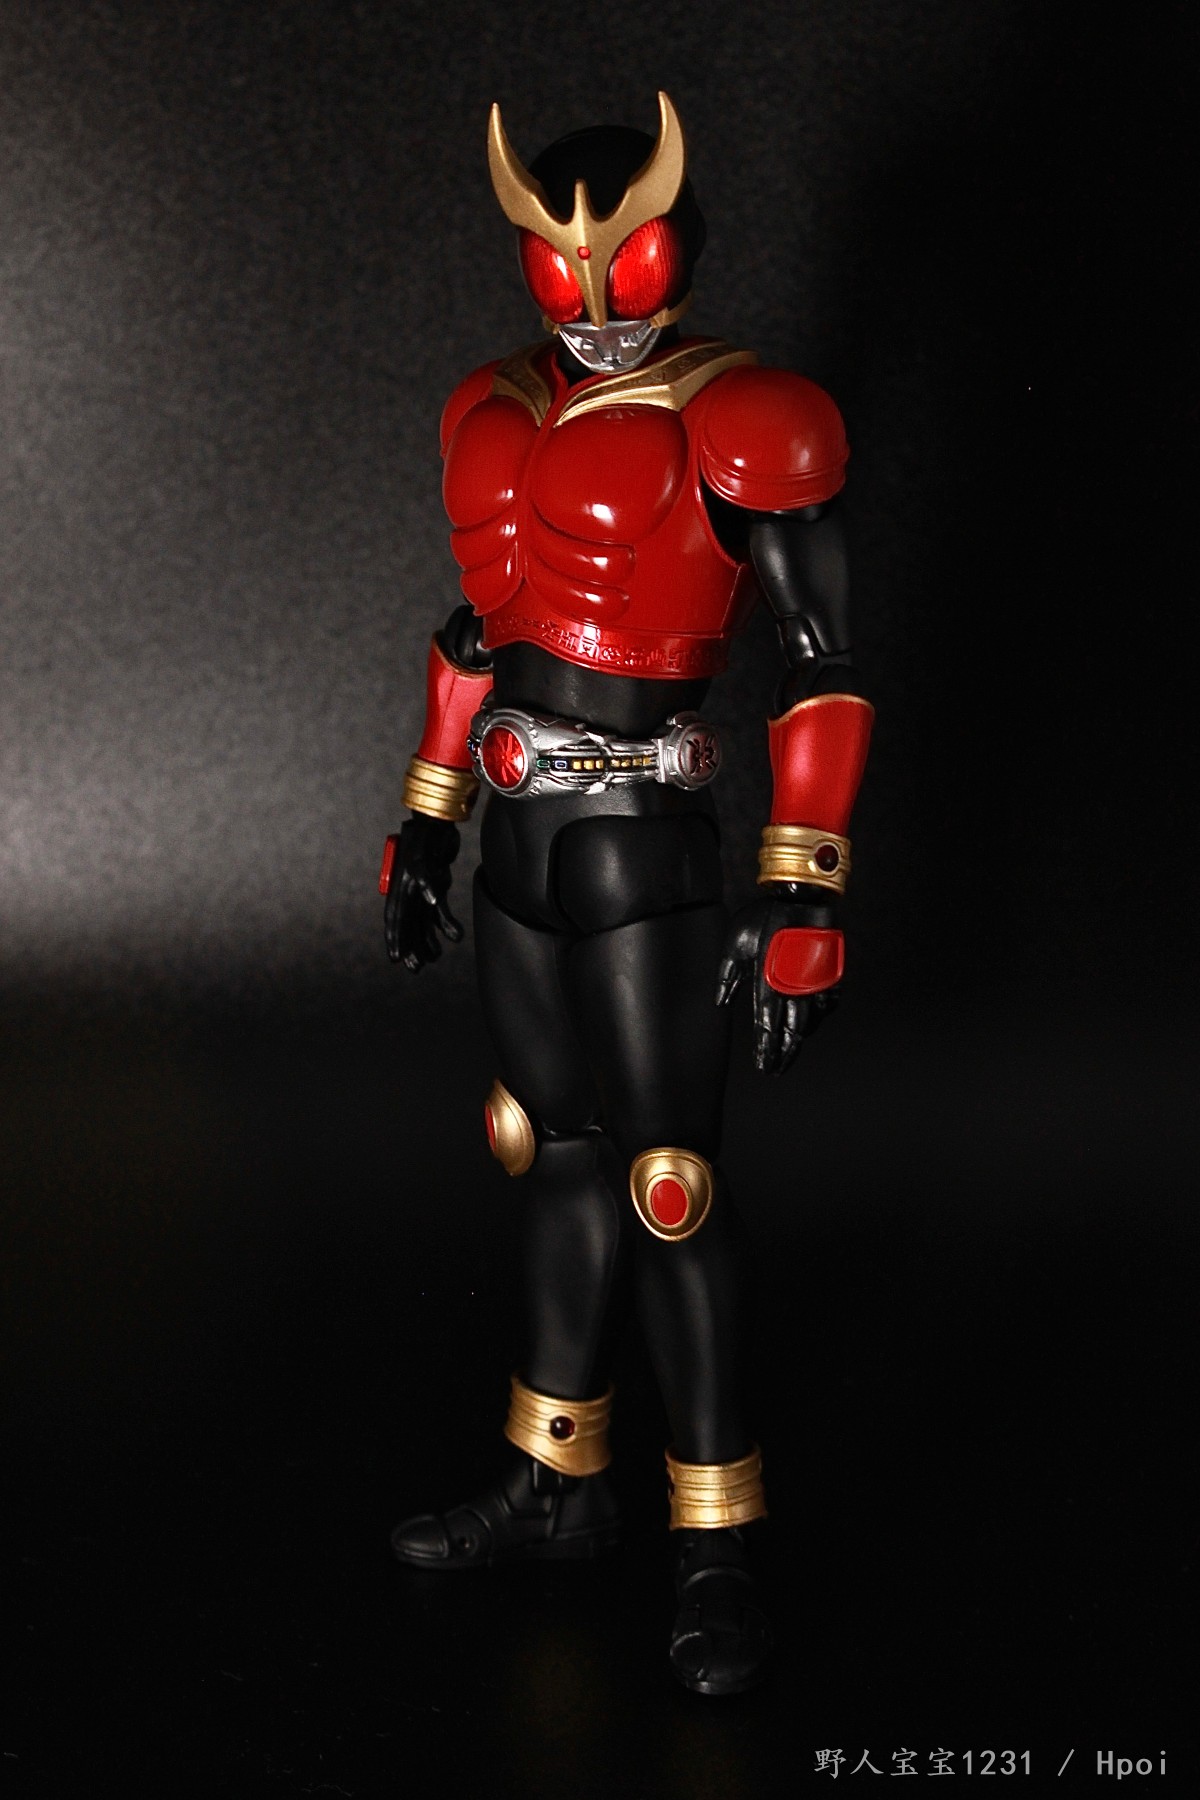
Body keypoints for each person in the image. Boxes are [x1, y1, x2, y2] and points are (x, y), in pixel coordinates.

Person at [380, 93, 872, 1696]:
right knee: (552, 1160)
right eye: (561, 262)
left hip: (646, 848)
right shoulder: (492, 406)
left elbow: (823, 667)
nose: (594, 296)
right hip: (519, 847)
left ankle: (718, 1541)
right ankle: (557, 1481)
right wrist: (429, 821)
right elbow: (477, 639)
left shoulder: (747, 416)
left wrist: (804, 888)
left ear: (676, 244)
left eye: (626, 256)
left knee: (672, 1188)